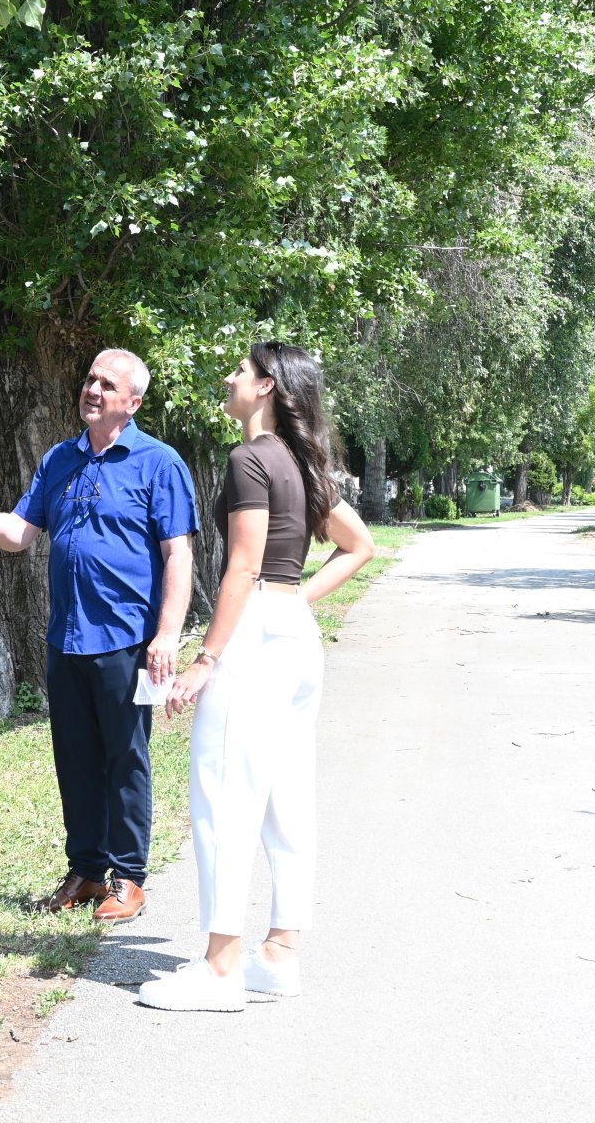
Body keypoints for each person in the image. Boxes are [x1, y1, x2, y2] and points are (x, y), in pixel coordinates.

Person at [137, 341, 375, 1012]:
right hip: (293, 637)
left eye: (238, 371)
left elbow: (242, 565)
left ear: (266, 385)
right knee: (285, 798)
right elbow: (359, 546)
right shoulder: (300, 465)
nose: (228, 378)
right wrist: (295, 600)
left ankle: (219, 970)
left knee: (222, 795)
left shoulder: (251, 459)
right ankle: (278, 954)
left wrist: (206, 659)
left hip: (256, 636)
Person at [0, 348, 198, 923]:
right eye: (89, 378)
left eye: (106, 384)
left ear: (132, 402)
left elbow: (177, 556)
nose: (91, 388)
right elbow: (20, 533)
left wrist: (167, 634)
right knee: (77, 760)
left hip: (127, 641)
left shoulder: (159, 464)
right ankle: (86, 871)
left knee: (125, 760)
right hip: (65, 639)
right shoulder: (59, 460)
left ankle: (129, 877)